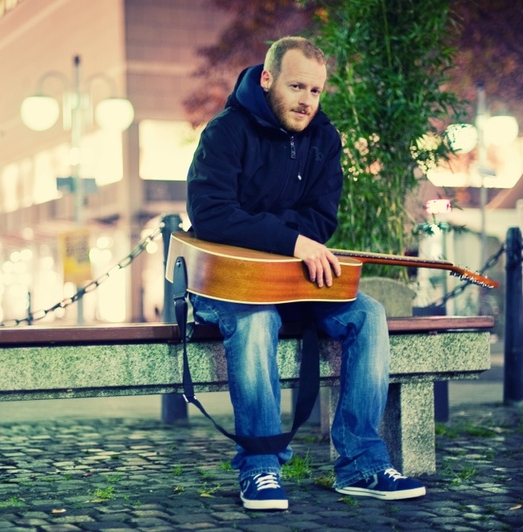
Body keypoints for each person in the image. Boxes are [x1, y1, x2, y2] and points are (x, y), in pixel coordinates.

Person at [185, 36, 426, 511]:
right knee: (257, 320)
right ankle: (260, 468)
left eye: (316, 91)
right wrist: (289, 240)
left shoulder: (325, 138)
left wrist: (282, 239)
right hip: (229, 282)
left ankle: (360, 464)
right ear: (267, 79)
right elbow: (212, 214)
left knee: (367, 314)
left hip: (295, 280)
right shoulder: (225, 132)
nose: (307, 101)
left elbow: (321, 218)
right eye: (297, 86)